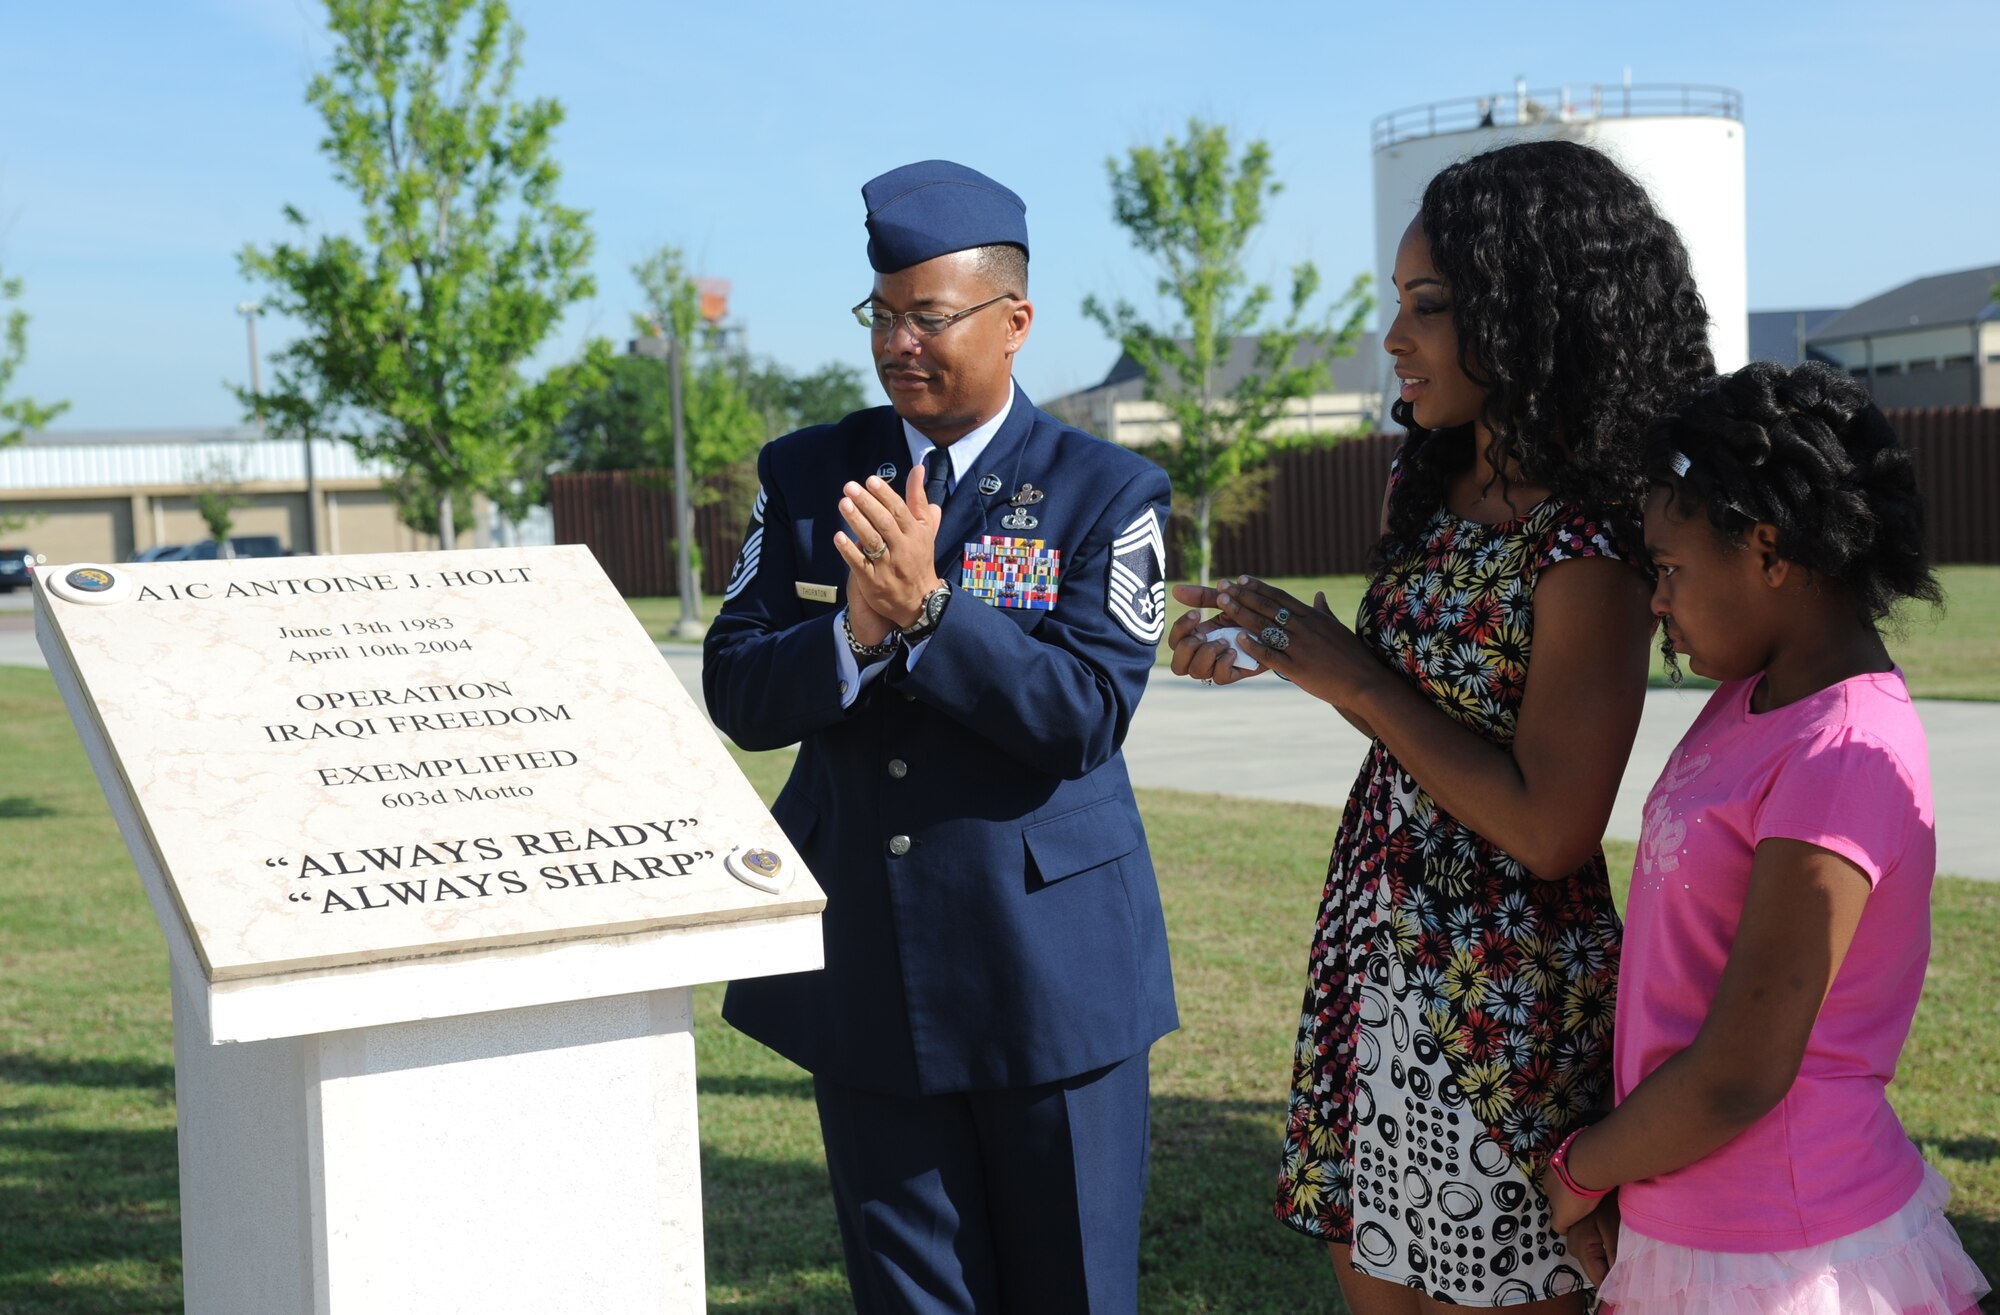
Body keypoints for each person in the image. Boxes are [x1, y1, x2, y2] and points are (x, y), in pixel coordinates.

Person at [1168, 140, 1714, 1311]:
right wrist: (1272, 645)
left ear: (1527, 315)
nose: (1393, 339)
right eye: (1396, 305)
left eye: (1428, 307)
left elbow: (1553, 826)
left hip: (1500, 992)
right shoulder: (1428, 481)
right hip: (1374, 945)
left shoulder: (1588, 541)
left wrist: (1355, 681)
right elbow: (1412, 706)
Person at [703, 159, 1178, 1314]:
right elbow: (737, 687)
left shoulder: (1103, 491)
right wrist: (851, 641)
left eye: (931, 316)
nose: (898, 344)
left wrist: (927, 613)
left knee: (1066, 1289)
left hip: (1045, 977)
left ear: (1013, 320)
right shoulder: (812, 475)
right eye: (882, 315)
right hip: (872, 972)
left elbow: (1082, 715)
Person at [1540, 363, 1990, 1315]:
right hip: (1691, 1218)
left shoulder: (1847, 750)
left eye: (1669, 567)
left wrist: (1581, 1169)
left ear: (1770, 548)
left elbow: (1743, 1068)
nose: (1656, 601)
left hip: (1783, 1254)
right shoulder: (1750, 698)